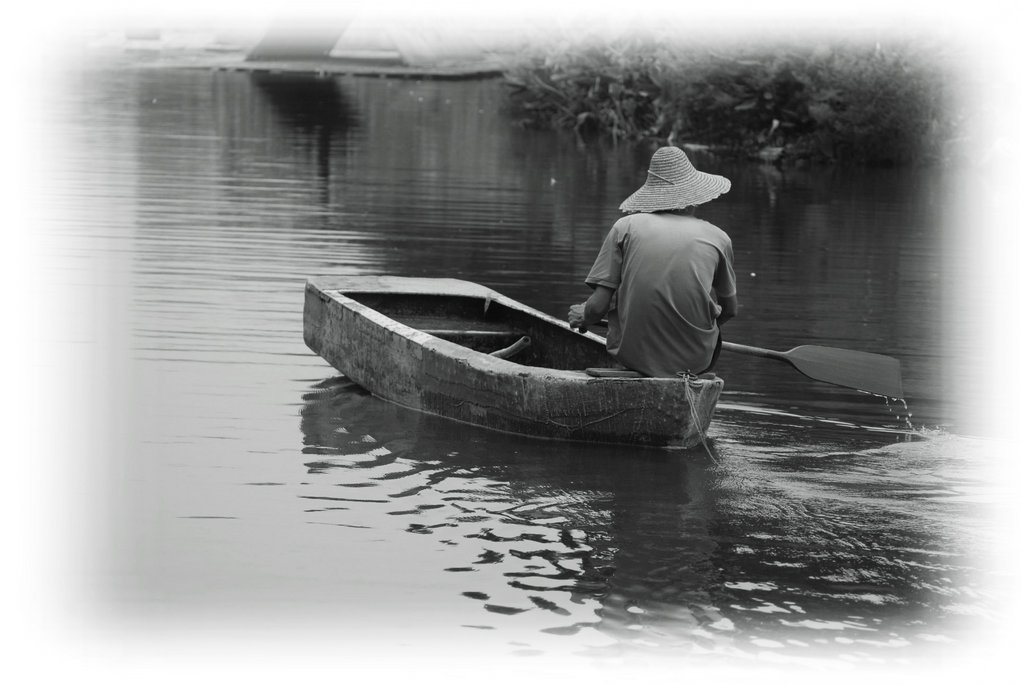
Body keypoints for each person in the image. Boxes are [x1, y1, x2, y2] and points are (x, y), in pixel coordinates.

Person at [567, 146, 738, 378]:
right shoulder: (719, 237)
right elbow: (729, 310)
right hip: (696, 360)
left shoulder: (625, 227)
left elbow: (597, 308)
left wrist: (583, 315)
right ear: (695, 198)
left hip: (633, 356)